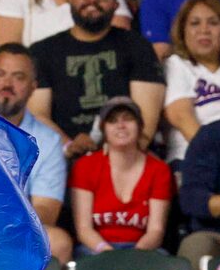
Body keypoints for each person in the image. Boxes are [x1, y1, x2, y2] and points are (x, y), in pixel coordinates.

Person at [31, 0, 166, 161]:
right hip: (62, 158)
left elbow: (146, 122)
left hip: (127, 155)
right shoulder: (43, 51)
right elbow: (38, 115)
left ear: (115, 5)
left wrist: (112, 160)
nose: (92, 0)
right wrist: (68, 146)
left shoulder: (137, 47)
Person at [0, 43, 73, 265]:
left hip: (15, 231)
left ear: (33, 87)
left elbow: (46, 210)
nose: (7, 83)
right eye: (0, 74)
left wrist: (1, 226)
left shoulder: (49, 141)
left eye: (18, 77)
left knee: (58, 242)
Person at [70, 97, 172, 255]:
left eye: (128, 119)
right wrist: (109, 254)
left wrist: (133, 258)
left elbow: (156, 231)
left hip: (142, 250)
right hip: (97, 249)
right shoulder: (85, 166)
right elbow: (84, 230)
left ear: (140, 126)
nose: (121, 125)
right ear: (103, 129)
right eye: (112, 121)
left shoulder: (159, 170)